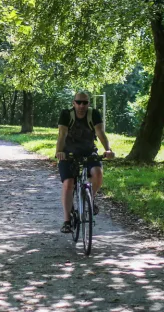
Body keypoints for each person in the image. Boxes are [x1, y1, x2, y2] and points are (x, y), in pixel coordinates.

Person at [55, 91, 114, 233]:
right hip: (68, 153)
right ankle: (67, 221)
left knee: (98, 173)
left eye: (85, 102)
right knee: (69, 183)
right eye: (79, 102)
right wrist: (59, 152)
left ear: (88, 103)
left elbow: (100, 132)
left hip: (88, 151)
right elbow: (62, 134)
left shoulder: (93, 114)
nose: (82, 105)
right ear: (73, 103)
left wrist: (108, 150)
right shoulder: (66, 114)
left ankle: (90, 200)